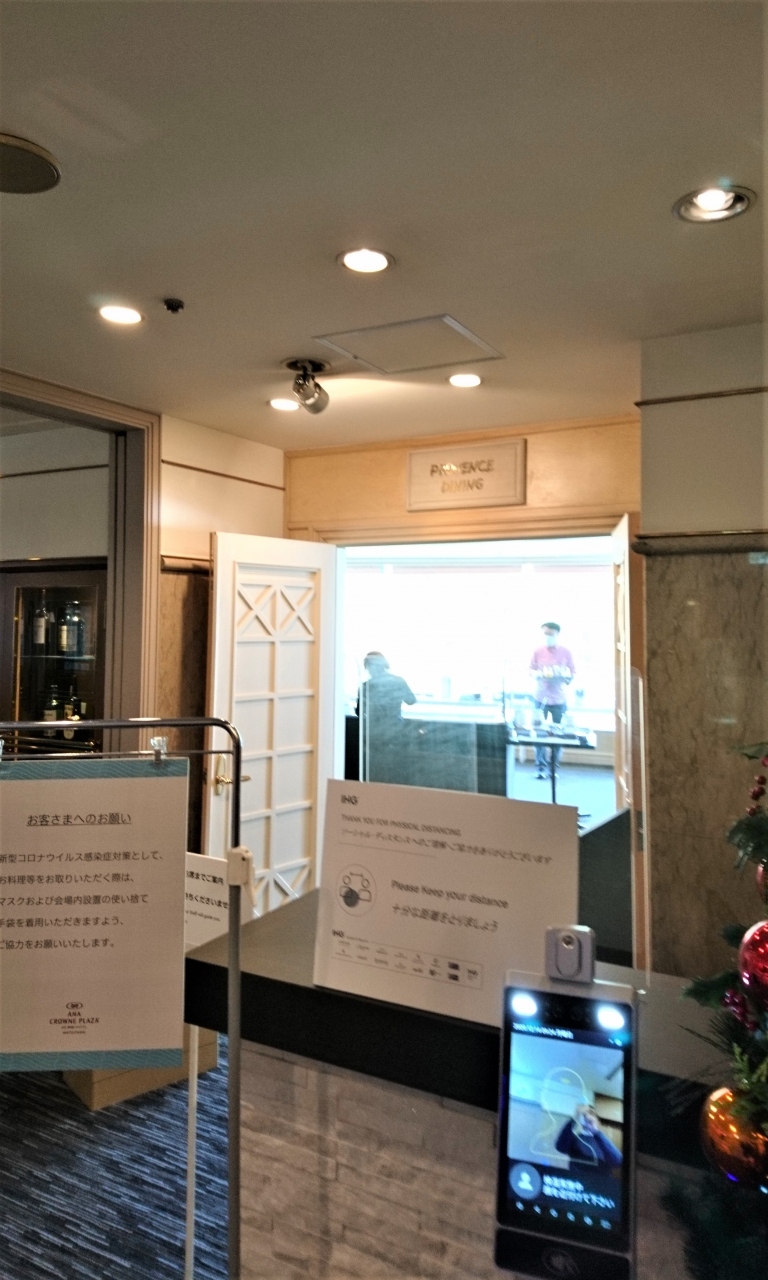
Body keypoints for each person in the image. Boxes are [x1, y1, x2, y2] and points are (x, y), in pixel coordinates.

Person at [357, 652, 416, 782]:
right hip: (395, 731)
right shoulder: (398, 681)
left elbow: (359, 712)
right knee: (395, 770)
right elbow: (411, 700)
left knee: (373, 772)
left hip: (373, 733)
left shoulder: (366, 686)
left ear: (368, 666)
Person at [529, 622, 576, 779]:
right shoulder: (537, 651)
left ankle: (553, 768)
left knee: (559, 734)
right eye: (545, 634)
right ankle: (540, 767)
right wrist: (536, 675)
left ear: (557, 635)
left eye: (550, 634)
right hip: (540, 697)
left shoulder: (566, 652)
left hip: (559, 698)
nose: (547, 637)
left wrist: (566, 678)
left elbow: (573, 672)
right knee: (538, 733)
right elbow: (531, 669)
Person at [555, 1104, 622, 1171]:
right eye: (584, 1115)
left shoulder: (603, 1140)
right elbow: (560, 1147)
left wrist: (595, 1131)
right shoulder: (575, 1139)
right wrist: (576, 1117)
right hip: (578, 1176)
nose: (588, 1116)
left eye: (591, 1113)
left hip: (602, 1177)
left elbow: (618, 1161)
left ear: (598, 1122)